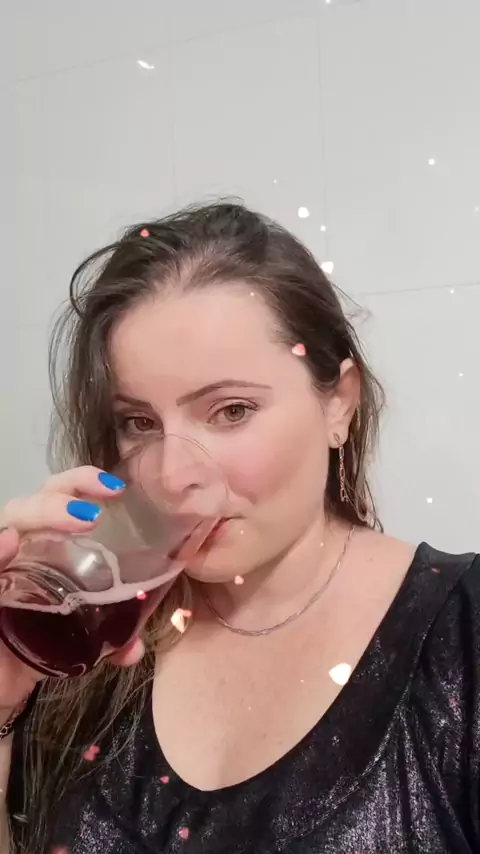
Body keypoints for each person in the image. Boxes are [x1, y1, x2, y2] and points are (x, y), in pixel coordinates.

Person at [0, 201, 478, 854]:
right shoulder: (85, 643)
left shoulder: (463, 636)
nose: (172, 474)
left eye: (230, 411)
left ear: (338, 404)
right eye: (139, 423)